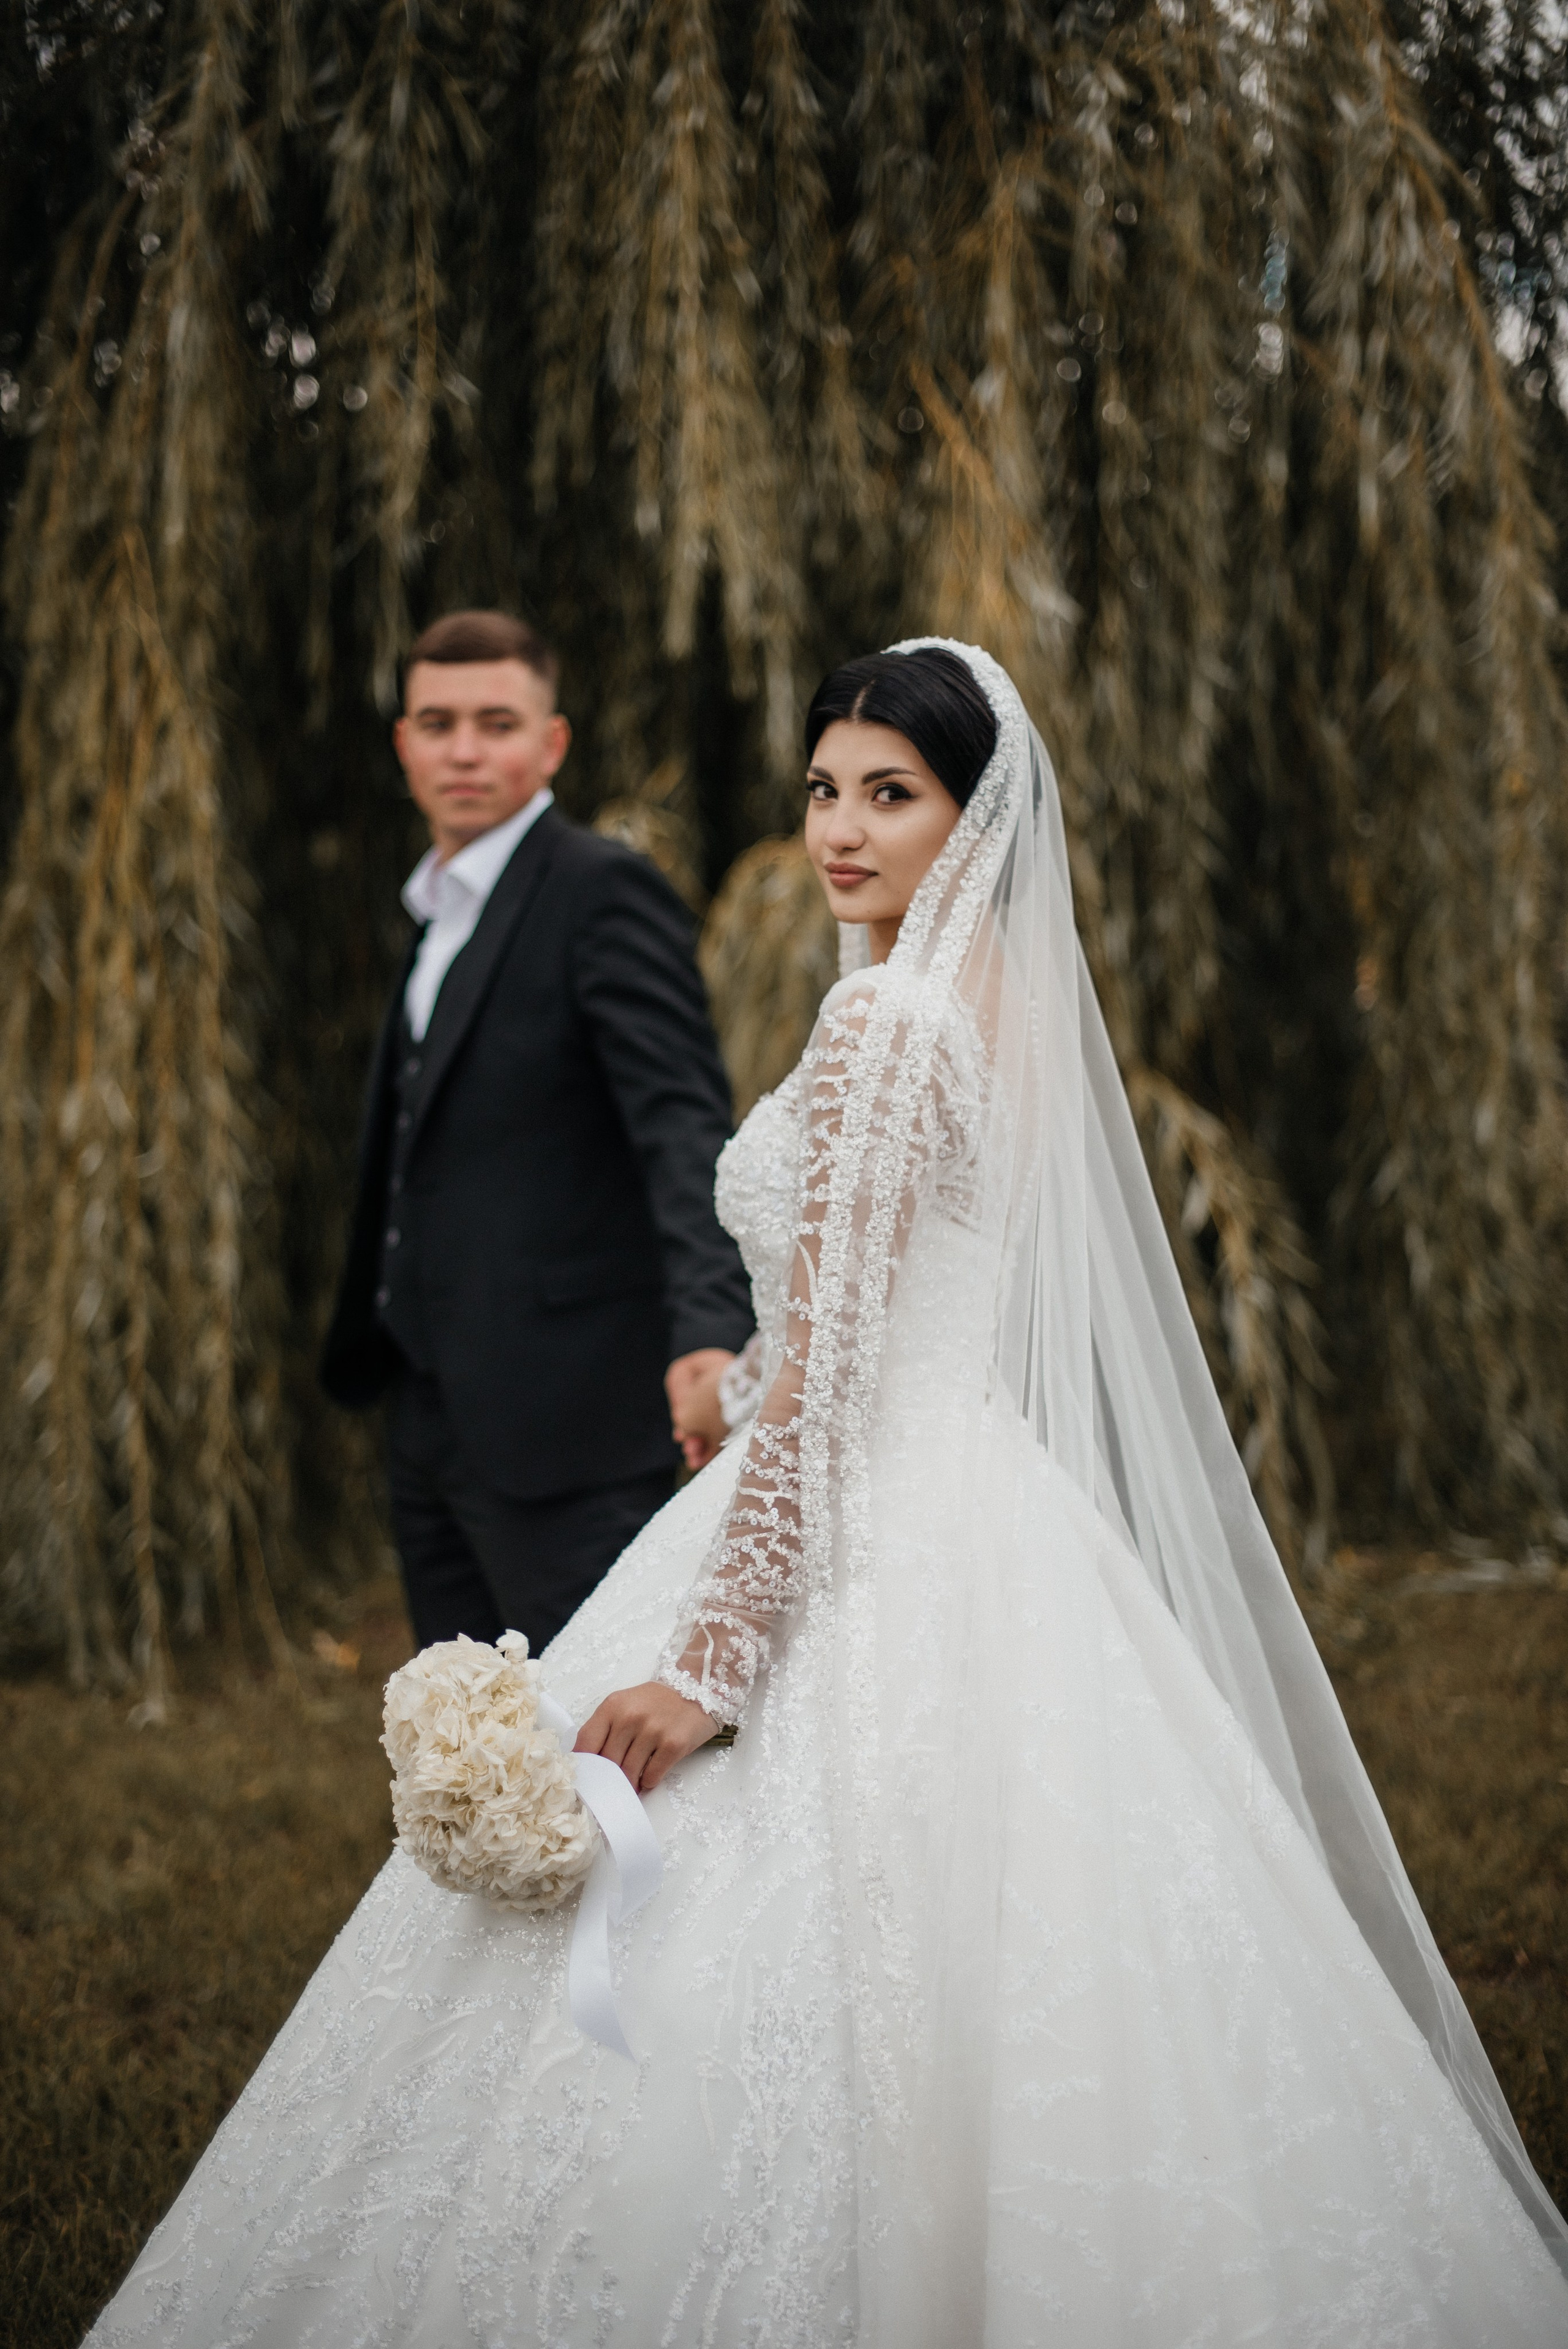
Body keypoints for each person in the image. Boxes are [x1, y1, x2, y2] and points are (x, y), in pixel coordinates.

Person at [89, 642, 1568, 2345]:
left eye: (893, 795)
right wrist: (736, 1375)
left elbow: (844, 1379)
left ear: (974, 817)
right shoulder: (1010, 1009)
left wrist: (709, 1669)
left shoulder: (884, 1016)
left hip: (851, 1513)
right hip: (979, 1497)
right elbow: (898, 1315)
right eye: (823, 791)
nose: (843, 831)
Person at [320, 609, 753, 1661]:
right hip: (430, 1410)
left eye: (496, 723)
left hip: (573, 1423)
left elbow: (682, 1123)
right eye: (438, 722)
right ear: (404, 744)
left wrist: (710, 1323)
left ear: (551, 743)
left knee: (594, 1738)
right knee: (468, 1737)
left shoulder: (601, 893)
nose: (465, 750)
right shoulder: (443, 908)